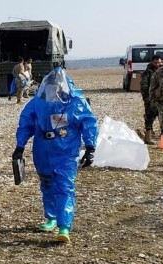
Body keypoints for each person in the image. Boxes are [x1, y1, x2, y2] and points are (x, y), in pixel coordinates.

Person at [12, 67, 98, 243]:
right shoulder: (38, 102)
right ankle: (51, 217)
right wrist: (20, 146)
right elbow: (25, 124)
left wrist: (90, 147)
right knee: (47, 184)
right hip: (43, 150)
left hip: (66, 152)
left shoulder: (75, 101)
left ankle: (64, 226)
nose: (53, 91)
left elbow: (89, 122)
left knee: (65, 186)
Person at [140, 55, 163, 144]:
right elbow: (144, 87)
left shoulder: (162, 71)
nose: (158, 64)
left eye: (159, 62)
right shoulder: (148, 73)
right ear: (151, 62)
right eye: (155, 62)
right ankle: (147, 138)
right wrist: (147, 99)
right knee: (149, 118)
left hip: (162, 100)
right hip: (151, 100)